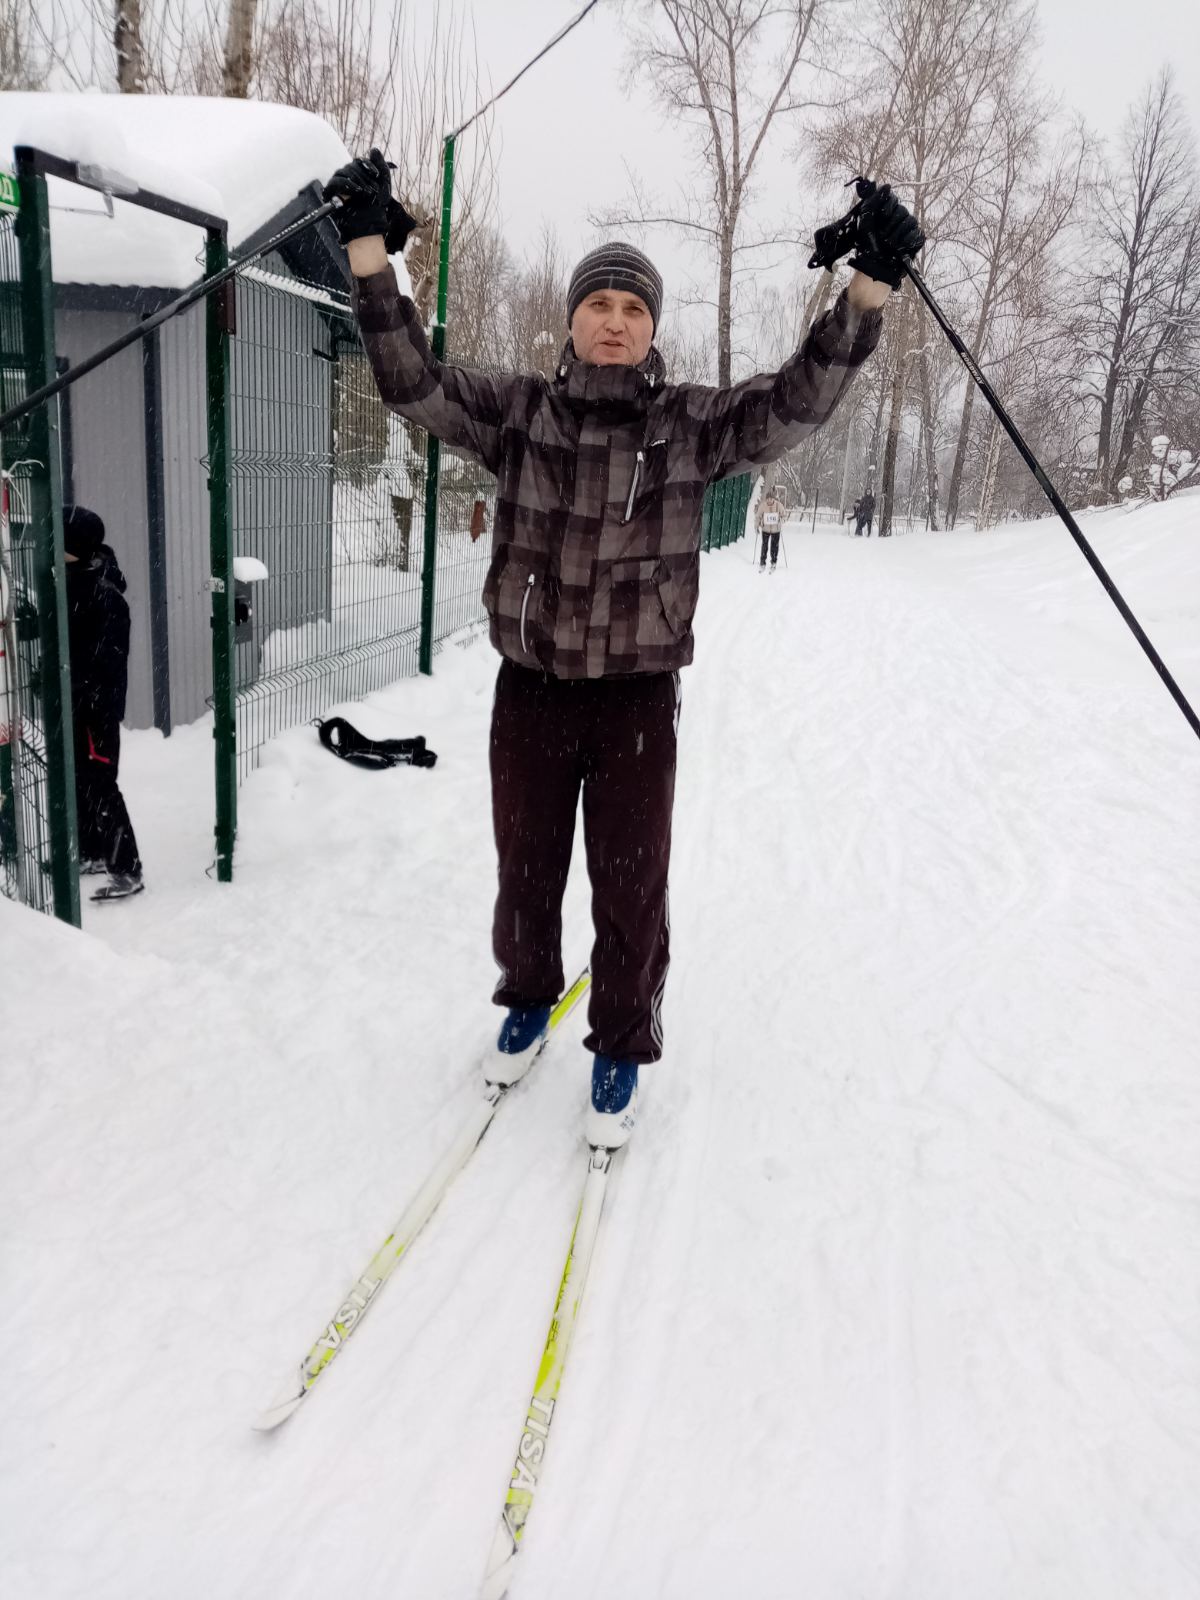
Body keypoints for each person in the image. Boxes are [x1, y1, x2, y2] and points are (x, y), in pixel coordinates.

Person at [323, 150, 922, 1145]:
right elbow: (410, 383)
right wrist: (369, 252)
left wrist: (866, 289)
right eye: (597, 301)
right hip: (533, 691)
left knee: (632, 880)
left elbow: (796, 403)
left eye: (632, 306)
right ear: (571, 320)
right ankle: (526, 996)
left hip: (637, 701)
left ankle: (619, 1042)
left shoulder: (690, 425)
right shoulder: (518, 414)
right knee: (527, 867)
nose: (613, 317)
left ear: (651, 328)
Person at [63, 506, 143, 902]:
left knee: (101, 785)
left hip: (96, 709)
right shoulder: (75, 579)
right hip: (79, 704)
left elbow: (107, 661)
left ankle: (127, 868)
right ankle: (93, 852)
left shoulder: (103, 594)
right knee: (81, 779)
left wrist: (87, 695)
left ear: (74, 546)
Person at [755, 490, 786, 574]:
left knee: (774, 547)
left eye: (771, 499)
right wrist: (757, 526)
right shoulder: (763, 506)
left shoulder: (779, 505)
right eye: (768, 499)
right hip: (765, 529)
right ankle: (762, 562)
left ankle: (773, 562)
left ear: (773, 499)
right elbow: (758, 516)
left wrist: (781, 522)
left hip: (776, 530)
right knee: (764, 546)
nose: (769, 500)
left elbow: (784, 516)